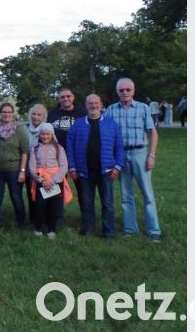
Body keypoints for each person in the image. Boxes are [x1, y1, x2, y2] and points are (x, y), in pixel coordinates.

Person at [106, 78, 162, 242]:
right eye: (121, 90)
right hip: (121, 155)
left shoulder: (143, 108)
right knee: (125, 195)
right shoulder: (110, 110)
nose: (125, 92)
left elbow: (153, 132)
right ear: (117, 92)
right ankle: (130, 229)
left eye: (128, 90)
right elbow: (107, 135)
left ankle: (154, 231)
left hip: (140, 153)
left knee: (147, 194)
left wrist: (151, 155)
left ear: (133, 91)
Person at [67, 94, 125, 238]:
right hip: (84, 171)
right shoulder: (78, 124)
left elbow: (119, 146)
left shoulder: (111, 123)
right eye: (90, 103)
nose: (93, 105)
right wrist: (72, 168)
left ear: (101, 105)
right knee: (87, 203)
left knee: (107, 204)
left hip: (106, 170)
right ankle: (88, 230)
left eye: (96, 103)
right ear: (86, 106)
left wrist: (117, 167)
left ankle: (108, 232)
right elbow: (70, 146)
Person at [0, 102, 29, 230]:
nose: (7, 114)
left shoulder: (20, 129)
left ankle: (21, 223)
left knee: (16, 196)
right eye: (4, 112)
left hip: (14, 170)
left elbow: (25, 151)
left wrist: (22, 171)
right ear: (0, 113)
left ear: (13, 113)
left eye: (9, 112)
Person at [46, 87, 86, 226]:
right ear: (59, 99)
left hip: (77, 156)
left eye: (68, 96)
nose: (65, 99)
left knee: (82, 188)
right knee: (58, 188)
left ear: (73, 97)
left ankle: (86, 217)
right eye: (62, 97)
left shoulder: (82, 113)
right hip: (57, 157)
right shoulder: (52, 114)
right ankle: (57, 217)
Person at [28, 123, 69, 239]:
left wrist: (54, 180)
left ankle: (52, 229)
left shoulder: (58, 148)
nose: (45, 136)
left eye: (48, 134)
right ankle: (38, 228)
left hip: (55, 182)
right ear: (39, 135)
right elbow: (32, 168)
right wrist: (42, 181)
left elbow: (63, 166)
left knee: (54, 206)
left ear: (52, 135)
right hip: (41, 182)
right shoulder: (35, 149)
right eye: (43, 134)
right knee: (40, 206)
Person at [24, 104, 48, 226]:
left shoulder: (47, 129)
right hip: (29, 168)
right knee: (31, 193)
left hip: (44, 169)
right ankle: (33, 219)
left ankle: (45, 220)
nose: (36, 117)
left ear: (44, 116)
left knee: (44, 194)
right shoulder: (24, 129)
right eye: (34, 114)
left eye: (39, 114)